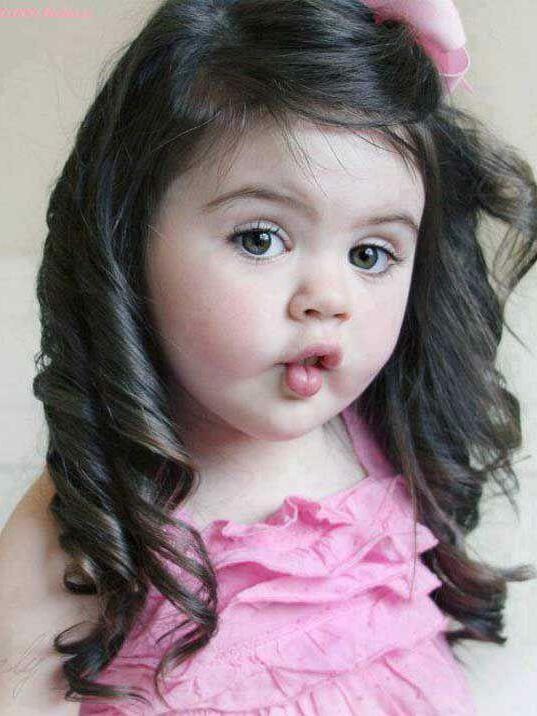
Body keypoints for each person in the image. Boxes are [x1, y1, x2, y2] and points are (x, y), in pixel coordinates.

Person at [1, 0, 536, 713]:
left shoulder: (383, 439)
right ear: (126, 240)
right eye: (260, 239)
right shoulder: (88, 528)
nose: (328, 298)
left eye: (370, 254)